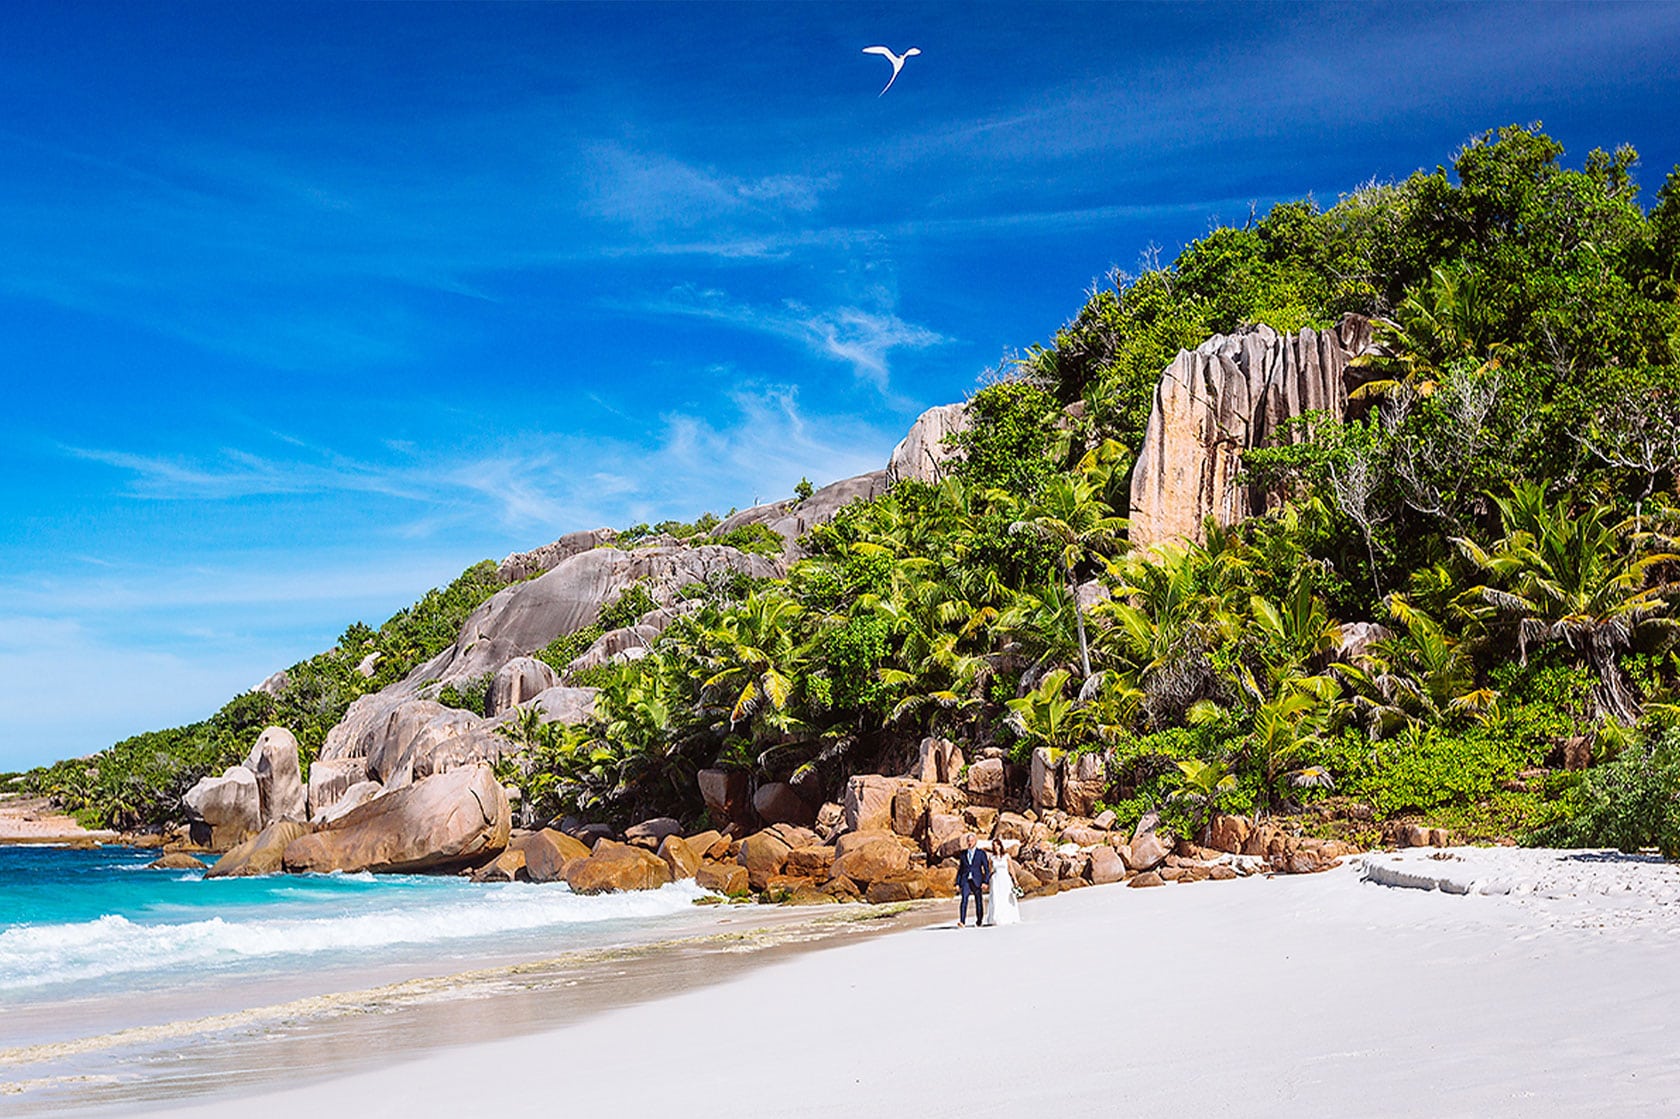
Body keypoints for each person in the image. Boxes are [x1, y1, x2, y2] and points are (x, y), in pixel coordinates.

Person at [955, 833, 992, 928]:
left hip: (977, 880)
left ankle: (979, 920)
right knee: (964, 900)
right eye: (968, 841)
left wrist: (985, 881)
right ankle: (962, 921)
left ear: (975, 841)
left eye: (971, 841)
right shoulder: (963, 854)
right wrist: (957, 883)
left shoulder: (981, 853)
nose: (970, 843)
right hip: (966, 880)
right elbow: (960, 870)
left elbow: (986, 869)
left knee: (978, 900)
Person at [985, 838, 1022, 926]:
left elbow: (1010, 868)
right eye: (994, 845)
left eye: (997, 845)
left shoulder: (1006, 856)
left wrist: (1015, 880)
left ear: (1000, 845)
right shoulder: (991, 857)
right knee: (996, 897)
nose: (995, 847)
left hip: (1005, 878)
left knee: (1006, 897)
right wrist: (986, 881)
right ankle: (996, 918)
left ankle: (1009, 917)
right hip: (996, 879)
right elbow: (990, 870)